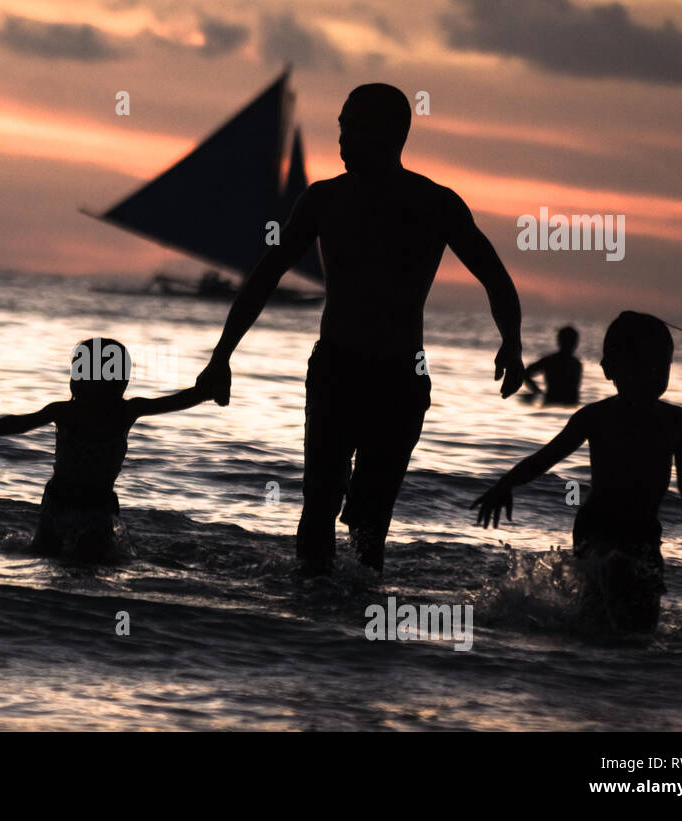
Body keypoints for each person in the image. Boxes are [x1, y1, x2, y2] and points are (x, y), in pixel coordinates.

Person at [196, 83, 525, 575]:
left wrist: (512, 344)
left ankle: (362, 634)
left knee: (371, 522)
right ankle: (314, 622)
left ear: (391, 134)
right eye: (340, 127)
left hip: (400, 377)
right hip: (336, 370)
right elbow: (267, 273)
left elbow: (494, 276)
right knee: (319, 506)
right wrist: (222, 355)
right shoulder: (324, 199)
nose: (342, 140)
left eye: (352, 127)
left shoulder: (434, 203)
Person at [471, 311, 682, 632]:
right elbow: (546, 457)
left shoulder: (675, 421)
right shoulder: (597, 417)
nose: (655, 374)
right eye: (643, 365)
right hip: (598, 528)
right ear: (609, 369)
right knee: (601, 605)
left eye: (663, 365)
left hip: (645, 533)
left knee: (643, 620)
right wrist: (504, 485)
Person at [0, 338, 211, 561]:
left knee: (79, 561)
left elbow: (174, 401)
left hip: (91, 507)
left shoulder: (121, 411)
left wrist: (205, 392)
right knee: (65, 559)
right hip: (66, 503)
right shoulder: (74, 412)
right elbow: (20, 423)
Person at [522, 326, 581, 405]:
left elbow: (525, 374)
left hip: (557, 402)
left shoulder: (576, 364)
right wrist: (538, 392)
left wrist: (538, 392)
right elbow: (525, 374)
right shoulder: (551, 361)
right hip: (557, 402)